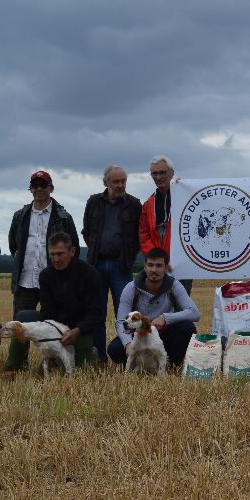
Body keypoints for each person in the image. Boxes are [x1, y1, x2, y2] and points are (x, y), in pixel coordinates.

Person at [3, 232, 103, 376]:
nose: (55, 259)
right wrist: (53, 334)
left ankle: (90, 352)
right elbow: (47, 311)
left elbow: (94, 312)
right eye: (52, 254)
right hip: (55, 324)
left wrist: (77, 330)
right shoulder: (46, 275)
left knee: (83, 372)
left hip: (79, 327)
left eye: (60, 254)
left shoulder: (89, 274)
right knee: (23, 317)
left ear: (72, 251)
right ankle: (12, 367)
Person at [81, 164, 142, 364]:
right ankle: (98, 357)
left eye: (123, 181)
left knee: (124, 314)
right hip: (96, 265)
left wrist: (129, 256)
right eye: (116, 181)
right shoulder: (93, 202)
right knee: (96, 312)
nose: (120, 185)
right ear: (106, 182)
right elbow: (86, 231)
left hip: (121, 266)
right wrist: (96, 250)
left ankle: (127, 356)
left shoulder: (134, 204)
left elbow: (138, 236)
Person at [109, 247, 199, 368]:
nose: (154, 270)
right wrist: (128, 343)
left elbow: (195, 313)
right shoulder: (131, 288)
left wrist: (165, 318)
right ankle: (140, 367)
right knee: (114, 349)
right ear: (145, 267)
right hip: (139, 336)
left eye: (159, 265)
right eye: (150, 265)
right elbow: (120, 321)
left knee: (188, 328)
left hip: (166, 334)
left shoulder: (175, 285)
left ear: (166, 268)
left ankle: (170, 365)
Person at [8, 170, 80, 313]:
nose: (39, 189)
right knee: (20, 327)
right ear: (31, 189)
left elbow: (74, 249)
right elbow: (13, 245)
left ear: (51, 188)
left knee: (54, 324)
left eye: (43, 185)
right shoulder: (19, 216)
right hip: (25, 282)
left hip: (55, 281)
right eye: (35, 185)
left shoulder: (64, 217)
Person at [139, 155, 191, 293]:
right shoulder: (148, 204)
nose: (159, 177)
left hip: (181, 264)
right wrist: (156, 259)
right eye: (155, 173)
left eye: (162, 172)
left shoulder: (186, 197)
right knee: (157, 305)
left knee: (181, 307)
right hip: (158, 265)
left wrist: (185, 187)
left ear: (172, 173)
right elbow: (144, 235)